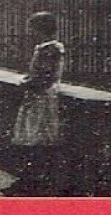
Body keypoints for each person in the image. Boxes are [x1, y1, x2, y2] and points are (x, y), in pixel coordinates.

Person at [5, 11, 66, 196]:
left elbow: (46, 77)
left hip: (41, 97)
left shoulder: (50, 49)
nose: (31, 32)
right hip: (37, 96)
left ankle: (33, 181)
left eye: (33, 28)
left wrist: (27, 83)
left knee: (36, 139)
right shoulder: (46, 48)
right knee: (31, 137)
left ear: (41, 29)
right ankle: (29, 179)